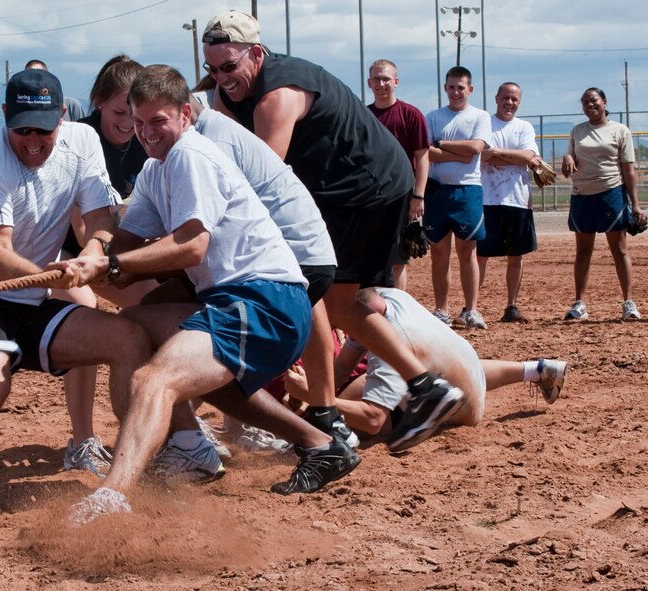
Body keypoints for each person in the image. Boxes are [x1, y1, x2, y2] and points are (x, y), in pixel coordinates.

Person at [68, 66, 360, 524]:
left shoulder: (191, 155)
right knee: (136, 327)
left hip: (265, 301)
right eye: (138, 123)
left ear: (185, 114)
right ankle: (317, 444)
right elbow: (123, 246)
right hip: (236, 300)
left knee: (155, 378)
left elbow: (191, 244)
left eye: (157, 121)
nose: (146, 134)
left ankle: (114, 493)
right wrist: (87, 259)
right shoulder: (155, 168)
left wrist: (115, 265)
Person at [201, 10, 466, 453]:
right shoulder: (228, 94)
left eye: (229, 67)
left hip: (368, 189)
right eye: (211, 70)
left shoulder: (276, 98)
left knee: (313, 293)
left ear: (257, 55)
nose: (221, 78)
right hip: (342, 194)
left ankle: (334, 413)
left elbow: (259, 179)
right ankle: (424, 387)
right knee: (338, 302)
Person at [0, 68, 153, 494]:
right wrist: (56, 276)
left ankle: (140, 468)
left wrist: (93, 252)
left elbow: (99, 218)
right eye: (21, 129)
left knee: (129, 339)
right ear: (4, 115)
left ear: (61, 116)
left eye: (42, 129)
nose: (32, 140)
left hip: (34, 294)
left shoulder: (82, 142)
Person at [187, 98, 358, 450]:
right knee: (304, 323)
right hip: (307, 246)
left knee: (228, 331)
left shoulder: (207, 144)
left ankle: (190, 431)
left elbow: (206, 219)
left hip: (287, 247)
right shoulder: (215, 130)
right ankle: (326, 417)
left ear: (183, 112)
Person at [284, 288, 568, 448]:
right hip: (468, 368)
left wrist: (319, 400)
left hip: (464, 409)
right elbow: (344, 365)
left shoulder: (390, 342)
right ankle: (538, 369)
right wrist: (317, 388)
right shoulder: (387, 297)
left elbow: (373, 418)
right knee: (443, 363)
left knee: (360, 401)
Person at [58, 54, 152, 476]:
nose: (130, 123)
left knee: (162, 303)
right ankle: (82, 441)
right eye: (119, 112)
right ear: (98, 102)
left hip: (109, 252)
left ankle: (177, 423)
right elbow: (83, 233)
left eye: (134, 113)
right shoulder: (82, 138)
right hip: (62, 254)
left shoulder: (145, 139)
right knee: (86, 316)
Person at [561, 87, 642, 321]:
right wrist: (568, 158)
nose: (589, 105)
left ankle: (628, 302)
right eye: (585, 102)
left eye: (594, 100)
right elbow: (571, 159)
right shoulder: (577, 131)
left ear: (605, 102)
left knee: (619, 249)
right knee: (583, 251)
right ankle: (579, 304)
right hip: (582, 194)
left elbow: (628, 169)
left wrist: (635, 205)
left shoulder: (620, 131)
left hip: (611, 193)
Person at [425, 66, 493, 329]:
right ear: (445, 88)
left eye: (461, 88)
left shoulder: (479, 116)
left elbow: (477, 148)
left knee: (468, 252)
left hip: (467, 191)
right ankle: (441, 310)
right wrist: (459, 153)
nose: (456, 92)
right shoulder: (432, 117)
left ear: (470, 89)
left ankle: (471, 310)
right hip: (437, 190)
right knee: (439, 253)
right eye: (451, 87)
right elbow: (426, 151)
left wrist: (442, 145)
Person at [477, 83, 542, 323]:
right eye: (505, 98)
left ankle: (511, 306)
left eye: (514, 99)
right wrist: (513, 157)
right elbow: (479, 155)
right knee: (480, 255)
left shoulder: (524, 127)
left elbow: (529, 157)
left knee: (516, 255)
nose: (509, 102)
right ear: (496, 98)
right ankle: (471, 306)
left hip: (517, 200)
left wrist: (495, 153)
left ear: (519, 101)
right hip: (487, 199)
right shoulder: (484, 123)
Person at [367, 59, 430, 290]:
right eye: (376, 79)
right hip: (371, 196)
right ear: (369, 83)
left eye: (386, 79)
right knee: (371, 257)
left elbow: (423, 158)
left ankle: (396, 312)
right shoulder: (364, 115)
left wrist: (418, 196)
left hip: (401, 195)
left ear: (396, 82)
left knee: (397, 260)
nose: (381, 84)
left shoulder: (411, 115)